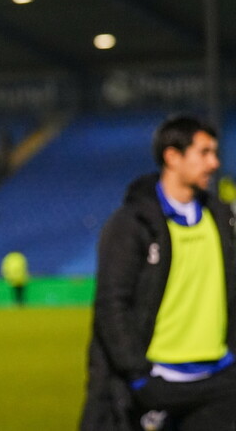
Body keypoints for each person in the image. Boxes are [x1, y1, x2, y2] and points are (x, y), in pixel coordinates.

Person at [80, 114, 236, 431]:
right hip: (157, 385)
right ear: (172, 156)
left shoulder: (222, 220)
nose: (214, 163)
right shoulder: (131, 224)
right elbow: (112, 305)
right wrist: (138, 376)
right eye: (204, 153)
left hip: (218, 383)